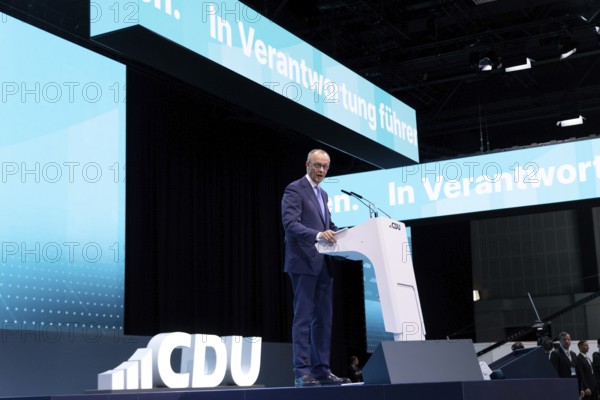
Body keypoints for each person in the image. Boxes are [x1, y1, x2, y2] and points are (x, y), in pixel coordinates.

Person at [281, 149, 351, 387]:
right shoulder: (294, 189)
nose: (321, 170)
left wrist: (342, 233)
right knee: (303, 318)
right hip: (302, 261)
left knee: (324, 319)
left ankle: (322, 370)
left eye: (325, 167)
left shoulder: (324, 194)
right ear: (307, 164)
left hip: (323, 263)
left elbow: (327, 225)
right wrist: (319, 234)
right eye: (317, 165)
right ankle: (302, 371)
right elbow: (290, 224)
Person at [549, 332, 584, 398]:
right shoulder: (555, 354)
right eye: (564, 340)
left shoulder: (573, 354)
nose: (567, 341)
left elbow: (578, 373)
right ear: (560, 341)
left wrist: (581, 388)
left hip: (574, 387)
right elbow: (554, 372)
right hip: (563, 388)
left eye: (568, 339)